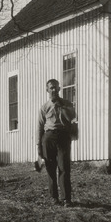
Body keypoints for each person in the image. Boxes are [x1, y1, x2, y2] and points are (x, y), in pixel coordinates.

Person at [37, 78, 77, 206]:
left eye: (55, 87)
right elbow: (39, 127)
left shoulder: (67, 104)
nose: (53, 89)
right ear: (47, 90)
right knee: (50, 168)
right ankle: (54, 197)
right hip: (48, 138)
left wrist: (72, 136)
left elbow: (73, 120)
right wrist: (39, 145)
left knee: (64, 167)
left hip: (63, 137)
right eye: (51, 87)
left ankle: (66, 199)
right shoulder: (44, 107)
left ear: (59, 89)